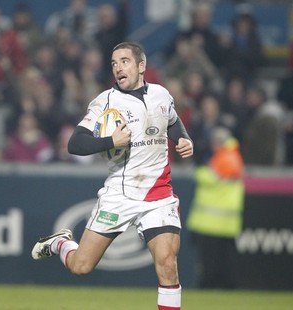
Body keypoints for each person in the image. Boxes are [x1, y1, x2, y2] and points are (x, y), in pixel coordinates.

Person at [32, 42, 194, 310]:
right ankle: (61, 243)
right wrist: (110, 141)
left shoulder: (162, 95)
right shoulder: (106, 101)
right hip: (120, 195)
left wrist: (184, 140)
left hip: (159, 195)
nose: (118, 67)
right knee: (81, 267)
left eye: (124, 61)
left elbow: (173, 122)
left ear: (142, 66)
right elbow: (75, 143)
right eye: (114, 63)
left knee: (167, 263)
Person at [186, 126, 244, 288]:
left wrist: (198, 171)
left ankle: (214, 286)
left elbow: (211, 178)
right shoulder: (230, 155)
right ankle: (223, 286)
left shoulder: (227, 157)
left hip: (214, 222)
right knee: (223, 259)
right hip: (222, 222)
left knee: (213, 261)